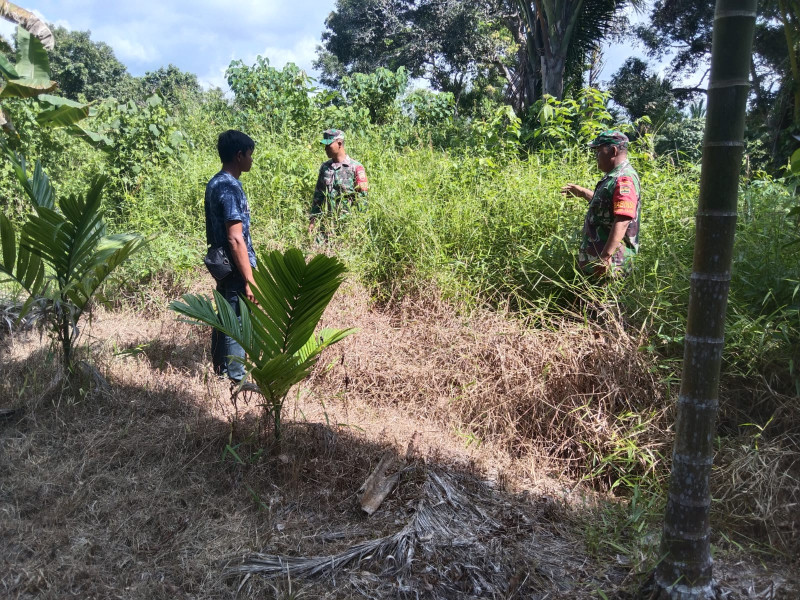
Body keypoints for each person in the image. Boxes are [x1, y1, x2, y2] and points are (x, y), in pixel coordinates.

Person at [204, 130, 256, 383]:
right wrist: (249, 278)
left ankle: (220, 370)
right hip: (234, 265)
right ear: (239, 156)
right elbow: (236, 237)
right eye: (249, 155)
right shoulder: (229, 186)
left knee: (225, 314)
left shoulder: (214, 182)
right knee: (236, 316)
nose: (251, 160)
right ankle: (237, 377)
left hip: (222, 264)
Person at [561, 130, 641, 278]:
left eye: (598, 151)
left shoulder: (624, 178)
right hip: (598, 260)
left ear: (613, 150)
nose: (596, 157)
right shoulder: (613, 177)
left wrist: (605, 257)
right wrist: (584, 193)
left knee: (605, 301)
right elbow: (609, 208)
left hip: (612, 264)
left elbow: (623, 219)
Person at [309, 128, 368, 234]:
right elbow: (318, 196)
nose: (325, 148)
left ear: (339, 143)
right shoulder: (325, 167)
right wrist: (313, 221)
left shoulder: (355, 168)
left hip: (348, 226)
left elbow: (362, 199)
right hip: (326, 226)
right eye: (325, 145)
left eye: (328, 145)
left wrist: (359, 226)